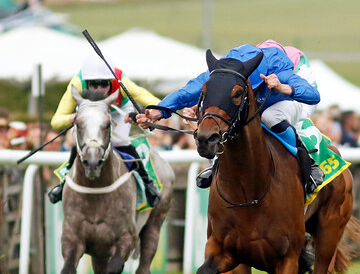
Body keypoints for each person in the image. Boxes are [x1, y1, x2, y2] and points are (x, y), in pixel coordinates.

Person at [135, 41, 323, 194]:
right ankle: (218, 164)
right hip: (252, 73)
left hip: (296, 89)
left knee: (270, 116)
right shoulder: (223, 71)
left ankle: (307, 163)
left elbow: (313, 95)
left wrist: (284, 88)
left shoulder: (279, 69)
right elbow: (186, 93)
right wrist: (158, 112)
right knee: (233, 119)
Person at [48, 52, 162, 206]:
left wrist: (157, 111)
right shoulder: (76, 83)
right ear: (86, 84)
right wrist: (75, 118)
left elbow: (150, 99)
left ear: (111, 81)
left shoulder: (122, 81)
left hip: (117, 111)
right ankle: (64, 182)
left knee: (118, 141)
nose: (100, 89)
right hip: (89, 112)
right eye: (94, 85)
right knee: (83, 141)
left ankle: (147, 182)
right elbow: (56, 121)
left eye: (104, 84)